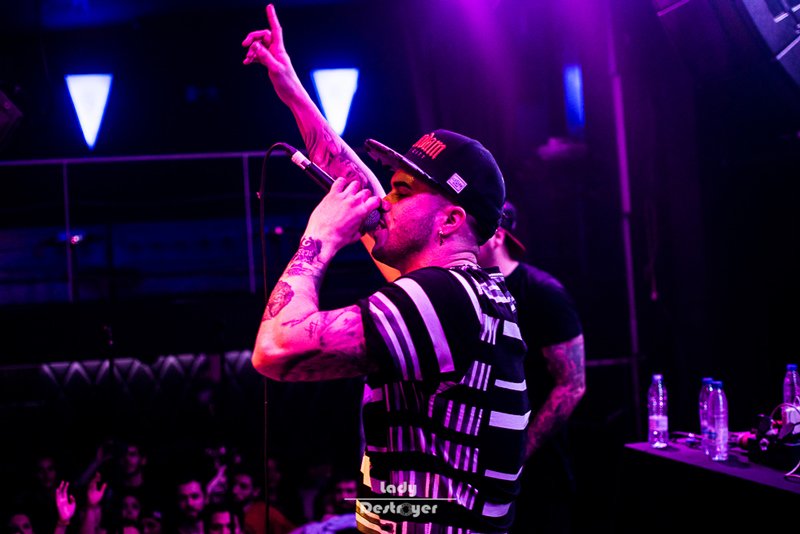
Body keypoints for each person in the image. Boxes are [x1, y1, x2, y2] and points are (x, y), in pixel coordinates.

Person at [243, 6, 529, 532]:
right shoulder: (470, 291)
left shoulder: (442, 296)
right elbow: (359, 188)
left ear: (450, 220)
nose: (383, 203)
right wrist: (291, 88)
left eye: (401, 191)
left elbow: (274, 349)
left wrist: (319, 238)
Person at [477, 201, 586, 534]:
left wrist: (519, 450)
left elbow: (572, 384)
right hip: (477, 472)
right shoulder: (467, 290)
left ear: (497, 236)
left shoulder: (543, 293)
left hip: (537, 475)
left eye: (473, 230)